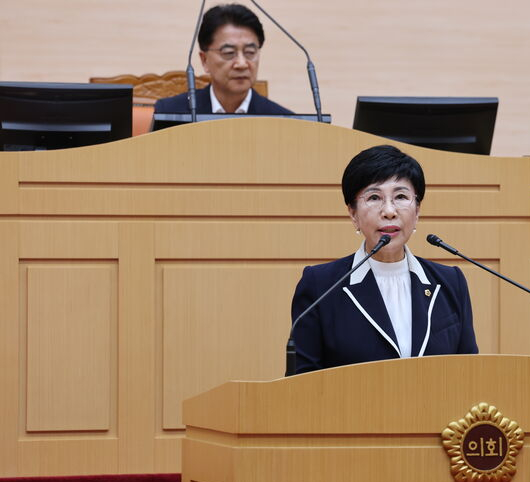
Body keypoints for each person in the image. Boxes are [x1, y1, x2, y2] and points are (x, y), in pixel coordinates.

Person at [290, 145, 479, 374]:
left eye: (401, 197)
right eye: (374, 197)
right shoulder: (320, 286)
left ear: (417, 210)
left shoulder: (450, 282)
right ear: (353, 213)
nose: (389, 211)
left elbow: (469, 374)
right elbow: (301, 384)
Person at [155, 4, 292, 115]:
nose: (241, 64)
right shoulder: (170, 112)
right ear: (204, 60)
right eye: (229, 53)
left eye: (250, 52)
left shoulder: (282, 121)